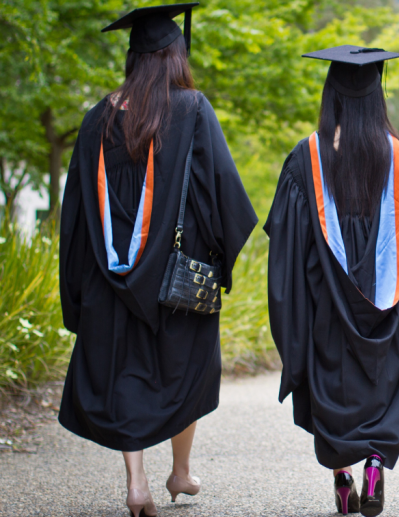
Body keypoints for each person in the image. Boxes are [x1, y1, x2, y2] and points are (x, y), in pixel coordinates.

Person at [57, 5, 258, 516]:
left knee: (124, 372)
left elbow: (76, 213)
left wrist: (78, 290)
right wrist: (218, 258)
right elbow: (225, 195)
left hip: (110, 275)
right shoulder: (190, 108)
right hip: (176, 277)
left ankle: (137, 482)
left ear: (133, 58)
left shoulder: (95, 119)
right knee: (184, 370)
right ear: (175, 57)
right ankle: (181, 472)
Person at [265, 45, 399, 517]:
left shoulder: (306, 158)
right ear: (377, 97)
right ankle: (375, 464)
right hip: (387, 312)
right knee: (382, 388)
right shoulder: (397, 157)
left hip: (325, 313)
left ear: (330, 96)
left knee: (330, 391)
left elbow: (286, 247)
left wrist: (291, 313)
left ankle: (342, 478)